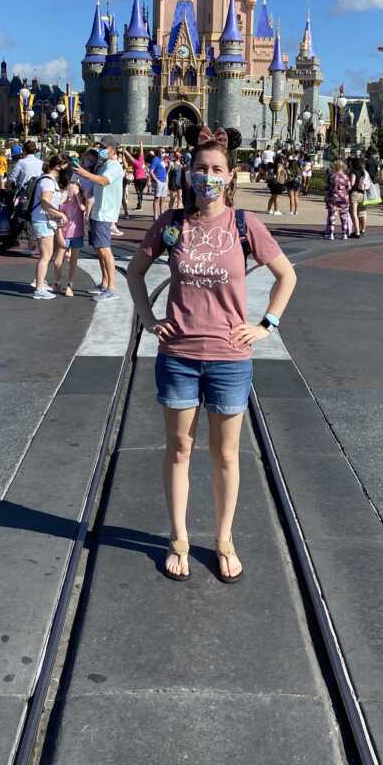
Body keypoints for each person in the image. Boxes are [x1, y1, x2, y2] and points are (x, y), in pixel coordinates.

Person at [126, 126, 296, 582]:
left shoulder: (244, 225)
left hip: (229, 356)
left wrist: (266, 325)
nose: (208, 176)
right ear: (188, 172)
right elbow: (135, 273)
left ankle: (223, 538)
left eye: (217, 169)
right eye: (201, 168)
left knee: (226, 454)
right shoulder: (171, 225)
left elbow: (286, 276)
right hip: (178, 352)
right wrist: (147, 318)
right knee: (179, 448)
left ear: (231, 174)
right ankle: (179, 537)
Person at [74, 135, 124, 301]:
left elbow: (103, 181)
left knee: (104, 249)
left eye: (103, 147)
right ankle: (104, 283)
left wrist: (84, 173)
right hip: (97, 211)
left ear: (111, 149)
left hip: (105, 213)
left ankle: (112, 288)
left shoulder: (115, 166)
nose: (100, 150)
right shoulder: (103, 164)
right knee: (98, 249)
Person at [29, 156, 67, 298]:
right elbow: (45, 202)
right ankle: (39, 289)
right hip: (42, 220)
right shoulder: (48, 182)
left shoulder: (47, 180)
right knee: (46, 256)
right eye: (64, 165)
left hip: (43, 220)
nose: (66, 169)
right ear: (57, 166)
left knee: (46, 255)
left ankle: (40, 284)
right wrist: (60, 214)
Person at [52, 163, 86, 296]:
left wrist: (77, 195)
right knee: (57, 259)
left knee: (73, 259)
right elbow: (57, 211)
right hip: (63, 231)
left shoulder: (78, 192)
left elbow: (83, 208)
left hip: (76, 232)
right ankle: (57, 281)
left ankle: (69, 285)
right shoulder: (62, 194)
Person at [324, 159, 353, 240]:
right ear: (343, 167)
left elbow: (327, 187)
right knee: (343, 216)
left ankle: (331, 234)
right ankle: (344, 234)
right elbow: (349, 188)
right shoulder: (345, 176)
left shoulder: (332, 176)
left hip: (333, 198)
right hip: (343, 198)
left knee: (332, 216)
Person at [349, 159, 371, 237]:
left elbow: (352, 183)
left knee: (353, 213)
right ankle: (362, 229)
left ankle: (357, 232)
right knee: (361, 212)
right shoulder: (363, 172)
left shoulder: (353, 172)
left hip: (354, 193)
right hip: (362, 193)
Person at [124, 142, 148, 210]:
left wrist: (125, 150)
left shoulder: (136, 162)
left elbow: (129, 157)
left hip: (138, 179)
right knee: (141, 192)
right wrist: (141, 144)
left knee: (138, 192)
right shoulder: (142, 160)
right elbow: (142, 151)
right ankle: (139, 204)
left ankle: (139, 204)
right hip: (144, 179)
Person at [149, 148, 168, 220]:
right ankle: (155, 216)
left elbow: (165, 170)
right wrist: (156, 180)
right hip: (159, 181)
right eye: (162, 152)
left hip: (164, 181)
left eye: (164, 152)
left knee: (163, 198)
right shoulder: (156, 159)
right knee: (157, 198)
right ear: (158, 152)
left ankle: (161, 214)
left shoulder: (163, 160)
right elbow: (151, 171)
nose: (163, 153)